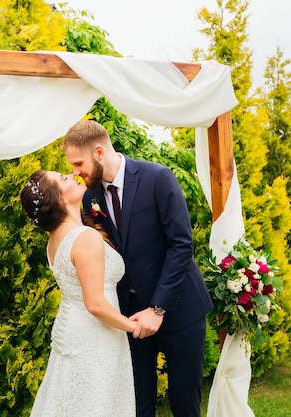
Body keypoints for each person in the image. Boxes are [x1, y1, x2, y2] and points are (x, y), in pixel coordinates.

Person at [62, 119, 213, 417]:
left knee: (184, 403)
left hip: (180, 307)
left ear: (99, 152)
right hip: (130, 315)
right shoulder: (90, 197)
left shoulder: (157, 177)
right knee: (137, 405)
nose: (76, 173)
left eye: (79, 163)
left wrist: (158, 308)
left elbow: (181, 244)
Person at [21, 169, 136, 417]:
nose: (72, 174)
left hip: (74, 330)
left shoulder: (54, 239)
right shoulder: (85, 238)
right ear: (60, 200)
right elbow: (94, 304)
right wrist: (132, 325)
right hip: (95, 336)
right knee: (96, 403)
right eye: (64, 178)